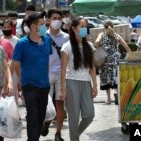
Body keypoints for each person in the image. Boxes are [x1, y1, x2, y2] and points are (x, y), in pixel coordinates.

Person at [10, 11, 52, 141]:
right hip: (29, 85)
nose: (45, 26)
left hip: (44, 85)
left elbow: (47, 61)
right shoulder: (22, 43)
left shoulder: (47, 40)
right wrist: (17, 82)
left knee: (40, 117)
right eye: (42, 24)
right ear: (33, 27)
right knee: (33, 116)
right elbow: (15, 64)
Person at [60, 17, 97, 141]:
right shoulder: (67, 47)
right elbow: (63, 70)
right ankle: (74, 138)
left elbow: (92, 67)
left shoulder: (90, 46)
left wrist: (95, 85)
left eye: (85, 26)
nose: (84, 29)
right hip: (71, 82)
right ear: (74, 28)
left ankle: (74, 136)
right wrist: (63, 89)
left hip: (86, 82)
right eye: (81, 26)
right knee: (74, 117)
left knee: (89, 115)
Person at [41, 8, 69, 141]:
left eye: (59, 18)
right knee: (46, 103)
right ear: (48, 20)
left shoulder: (66, 38)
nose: (57, 21)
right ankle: (46, 122)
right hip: (45, 74)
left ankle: (58, 133)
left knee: (60, 104)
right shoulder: (43, 37)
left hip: (61, 76)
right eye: (54, 18)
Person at [95, 20, 131, 104]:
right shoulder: (116, 36)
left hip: (105, 59)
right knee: (115, 76)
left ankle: (108, 99)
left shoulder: (102, 34)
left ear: (104, 27)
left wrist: (99, 47)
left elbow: (96, 42)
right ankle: (116, 94)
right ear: (113, 27)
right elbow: (127, 48)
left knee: (105, 78)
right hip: (115, 59)